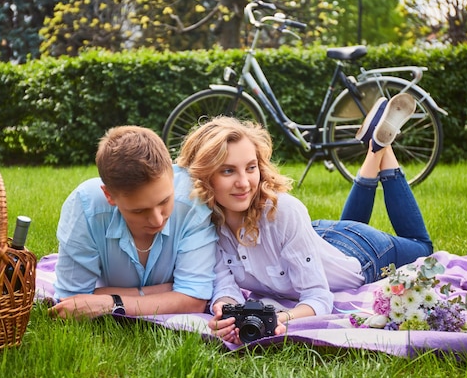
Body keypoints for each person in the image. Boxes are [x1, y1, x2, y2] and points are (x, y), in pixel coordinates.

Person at [176, 93, 433, 344]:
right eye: (228, 170)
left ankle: (380, 148)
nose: (244, 183)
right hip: (316, 237)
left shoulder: (284, 210)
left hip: (362, 255)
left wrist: (281, 318)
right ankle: (375, 146)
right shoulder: (204, 227)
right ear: (203, 176)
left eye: (251, 167)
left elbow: (318, 296)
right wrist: (226, 313)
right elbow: (225, 287)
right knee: (342, 235)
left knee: (422, 247)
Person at [49, 125, 218, 320]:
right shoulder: (85, 207)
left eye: (164, 201)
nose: (157, 219)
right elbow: (71, 302)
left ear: (172, 174)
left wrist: (111, 302)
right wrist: (169, 292)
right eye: (139, 210)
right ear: (109, 195)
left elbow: (194, 301)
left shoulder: (192, 199)